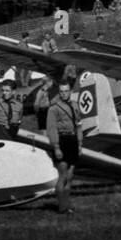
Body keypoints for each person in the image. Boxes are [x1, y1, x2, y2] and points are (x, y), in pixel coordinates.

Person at [46, 81, 81, 214]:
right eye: (61, 91)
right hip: (62, 140)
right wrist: (56, 147)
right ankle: (61, 208)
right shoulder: (53, 108)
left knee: (70, 176)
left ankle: (67, 205)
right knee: (63, 176)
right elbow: (51, 129)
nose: (64, 93)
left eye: (66, 91)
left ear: (70, 92)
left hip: (73, 141)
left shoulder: (75, 106)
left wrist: (80, 143)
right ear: (59, 93)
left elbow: (79, 125)